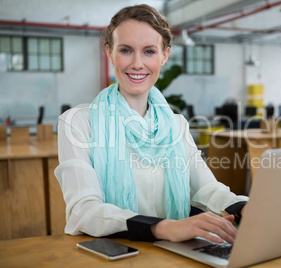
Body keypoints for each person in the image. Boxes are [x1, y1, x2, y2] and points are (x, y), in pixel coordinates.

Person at [55, 4, 248, 245]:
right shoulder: (78, 123)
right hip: (115, 252)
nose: (137, 64)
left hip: (172, 252)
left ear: (164, 56)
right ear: (109, 52)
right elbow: (83, 210)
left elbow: (205, 188)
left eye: (149, 51)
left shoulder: (177, 124)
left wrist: (244, 207)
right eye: (126, 50)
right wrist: (163, 228)